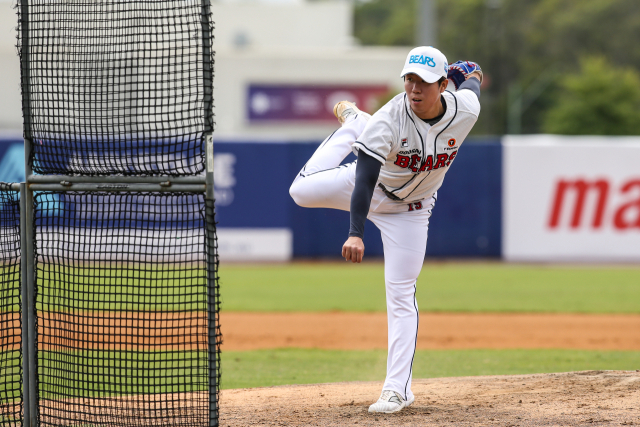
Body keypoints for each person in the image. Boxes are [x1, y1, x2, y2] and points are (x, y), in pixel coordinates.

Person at [289, 46, 482, 414]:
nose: (414, 88)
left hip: (410, 212)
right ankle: (352, 128)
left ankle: (397, 390)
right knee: (299, 192)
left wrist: (470, 75)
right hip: (370, 184)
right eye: (409, 79)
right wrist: (355, 232)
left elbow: (472, 82)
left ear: (442, 85)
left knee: (401, 295)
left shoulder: (465, 110)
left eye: (424, 81)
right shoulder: (389, 119)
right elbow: (363, 182)